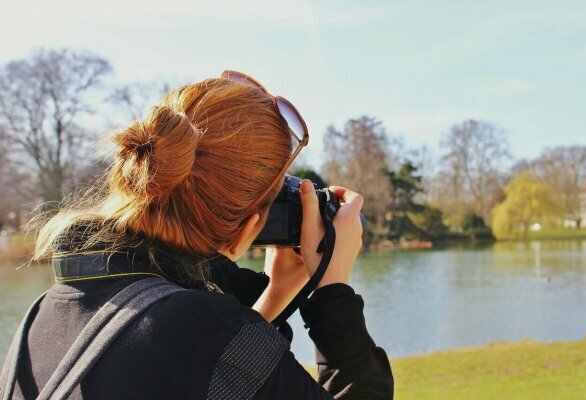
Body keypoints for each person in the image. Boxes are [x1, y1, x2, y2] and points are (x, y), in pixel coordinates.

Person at [0, 71, 394, 399]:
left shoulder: (42, 315)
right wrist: (333, 290)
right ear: (248, 229)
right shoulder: (212, 332)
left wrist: (274, 296)